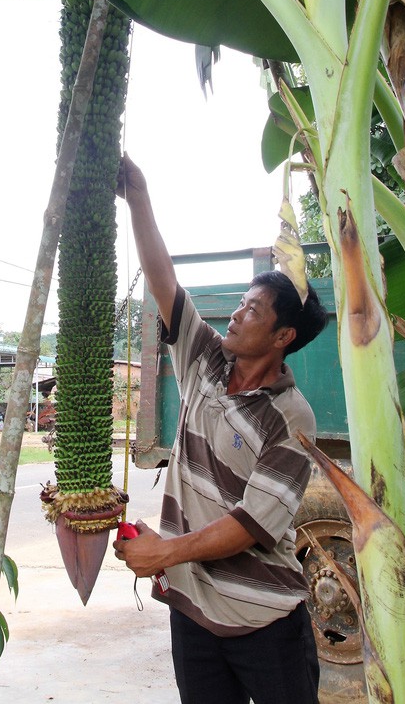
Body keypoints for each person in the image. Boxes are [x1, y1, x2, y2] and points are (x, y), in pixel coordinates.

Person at [113, 154, 329, 704]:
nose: (235, 314)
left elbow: (249, 525)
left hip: (265, 622)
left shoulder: (291, 418)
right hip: (194, 616)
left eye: (252, 310)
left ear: (283, 336)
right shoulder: (205, 360)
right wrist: (139, 197)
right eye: (239, 303)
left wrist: (163, 555)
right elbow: (165, 283)